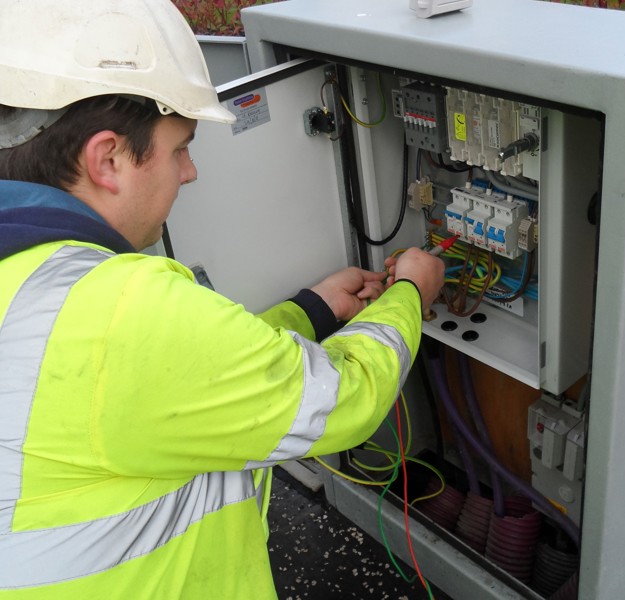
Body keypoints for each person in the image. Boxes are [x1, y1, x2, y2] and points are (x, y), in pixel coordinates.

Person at [0, 1, 444, 598]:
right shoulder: (122, 310)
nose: (191, 173)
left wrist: (312, 309)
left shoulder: (37, 280)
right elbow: (345, 398)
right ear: (107, 158)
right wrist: (412, 291)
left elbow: (174, 381)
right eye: (181, 147)